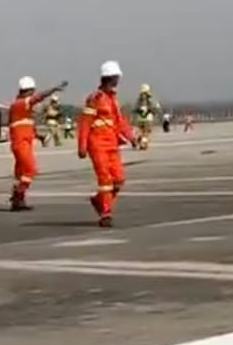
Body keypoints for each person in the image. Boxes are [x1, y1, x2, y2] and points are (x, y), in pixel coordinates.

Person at [78, 61, 137, 228]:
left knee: (118, 180)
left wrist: (131, 137)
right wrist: (82, 146)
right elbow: (85, 123)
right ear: (109, 77)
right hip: (97, 144)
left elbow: (120, 122)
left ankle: (99, 200)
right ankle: (105, 213)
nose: (118, 80)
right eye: (116, 77)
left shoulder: (113, 100)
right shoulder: (94, 98)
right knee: (105, 179)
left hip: (112, 144)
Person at [8, 77, 67, 211]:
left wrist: (39, 137)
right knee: (30, 169)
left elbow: (26, 126)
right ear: (28, 91)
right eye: (32, 91)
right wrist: (54, 89)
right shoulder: (21, 103)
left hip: (24, 142)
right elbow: (39, 97)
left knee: (21, 173)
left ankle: (18, 202)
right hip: (21, 143)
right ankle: (17, 194)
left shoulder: (22, 109)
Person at [133, 84, 158, 150]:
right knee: (147, 132)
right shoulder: (150, 98)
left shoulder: (139, 99)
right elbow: (155, 107)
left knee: (141, 131)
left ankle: (139, 140)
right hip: (148, 117)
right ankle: (143, 144)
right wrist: (154, 112)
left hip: (140, 117)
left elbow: (135, 108)